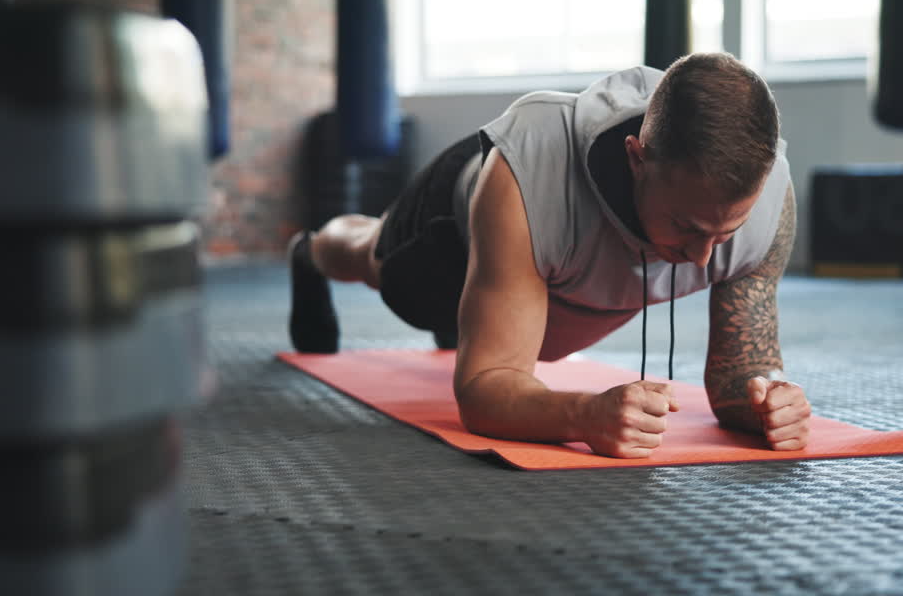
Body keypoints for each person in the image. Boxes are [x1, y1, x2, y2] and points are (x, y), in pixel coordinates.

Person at [288, 52, 810, 458]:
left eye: (725, 233)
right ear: (637, 159)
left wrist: (768, 404)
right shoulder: (528, 176)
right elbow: (484, 389)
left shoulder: (768, 206)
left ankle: (477, 319)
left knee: (497, 317)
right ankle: (310, 252)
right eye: (684, 227)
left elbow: (742, 371)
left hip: (544, 277)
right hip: (451, 237)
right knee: (367, 255)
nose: (701, 259)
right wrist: (584, 416)